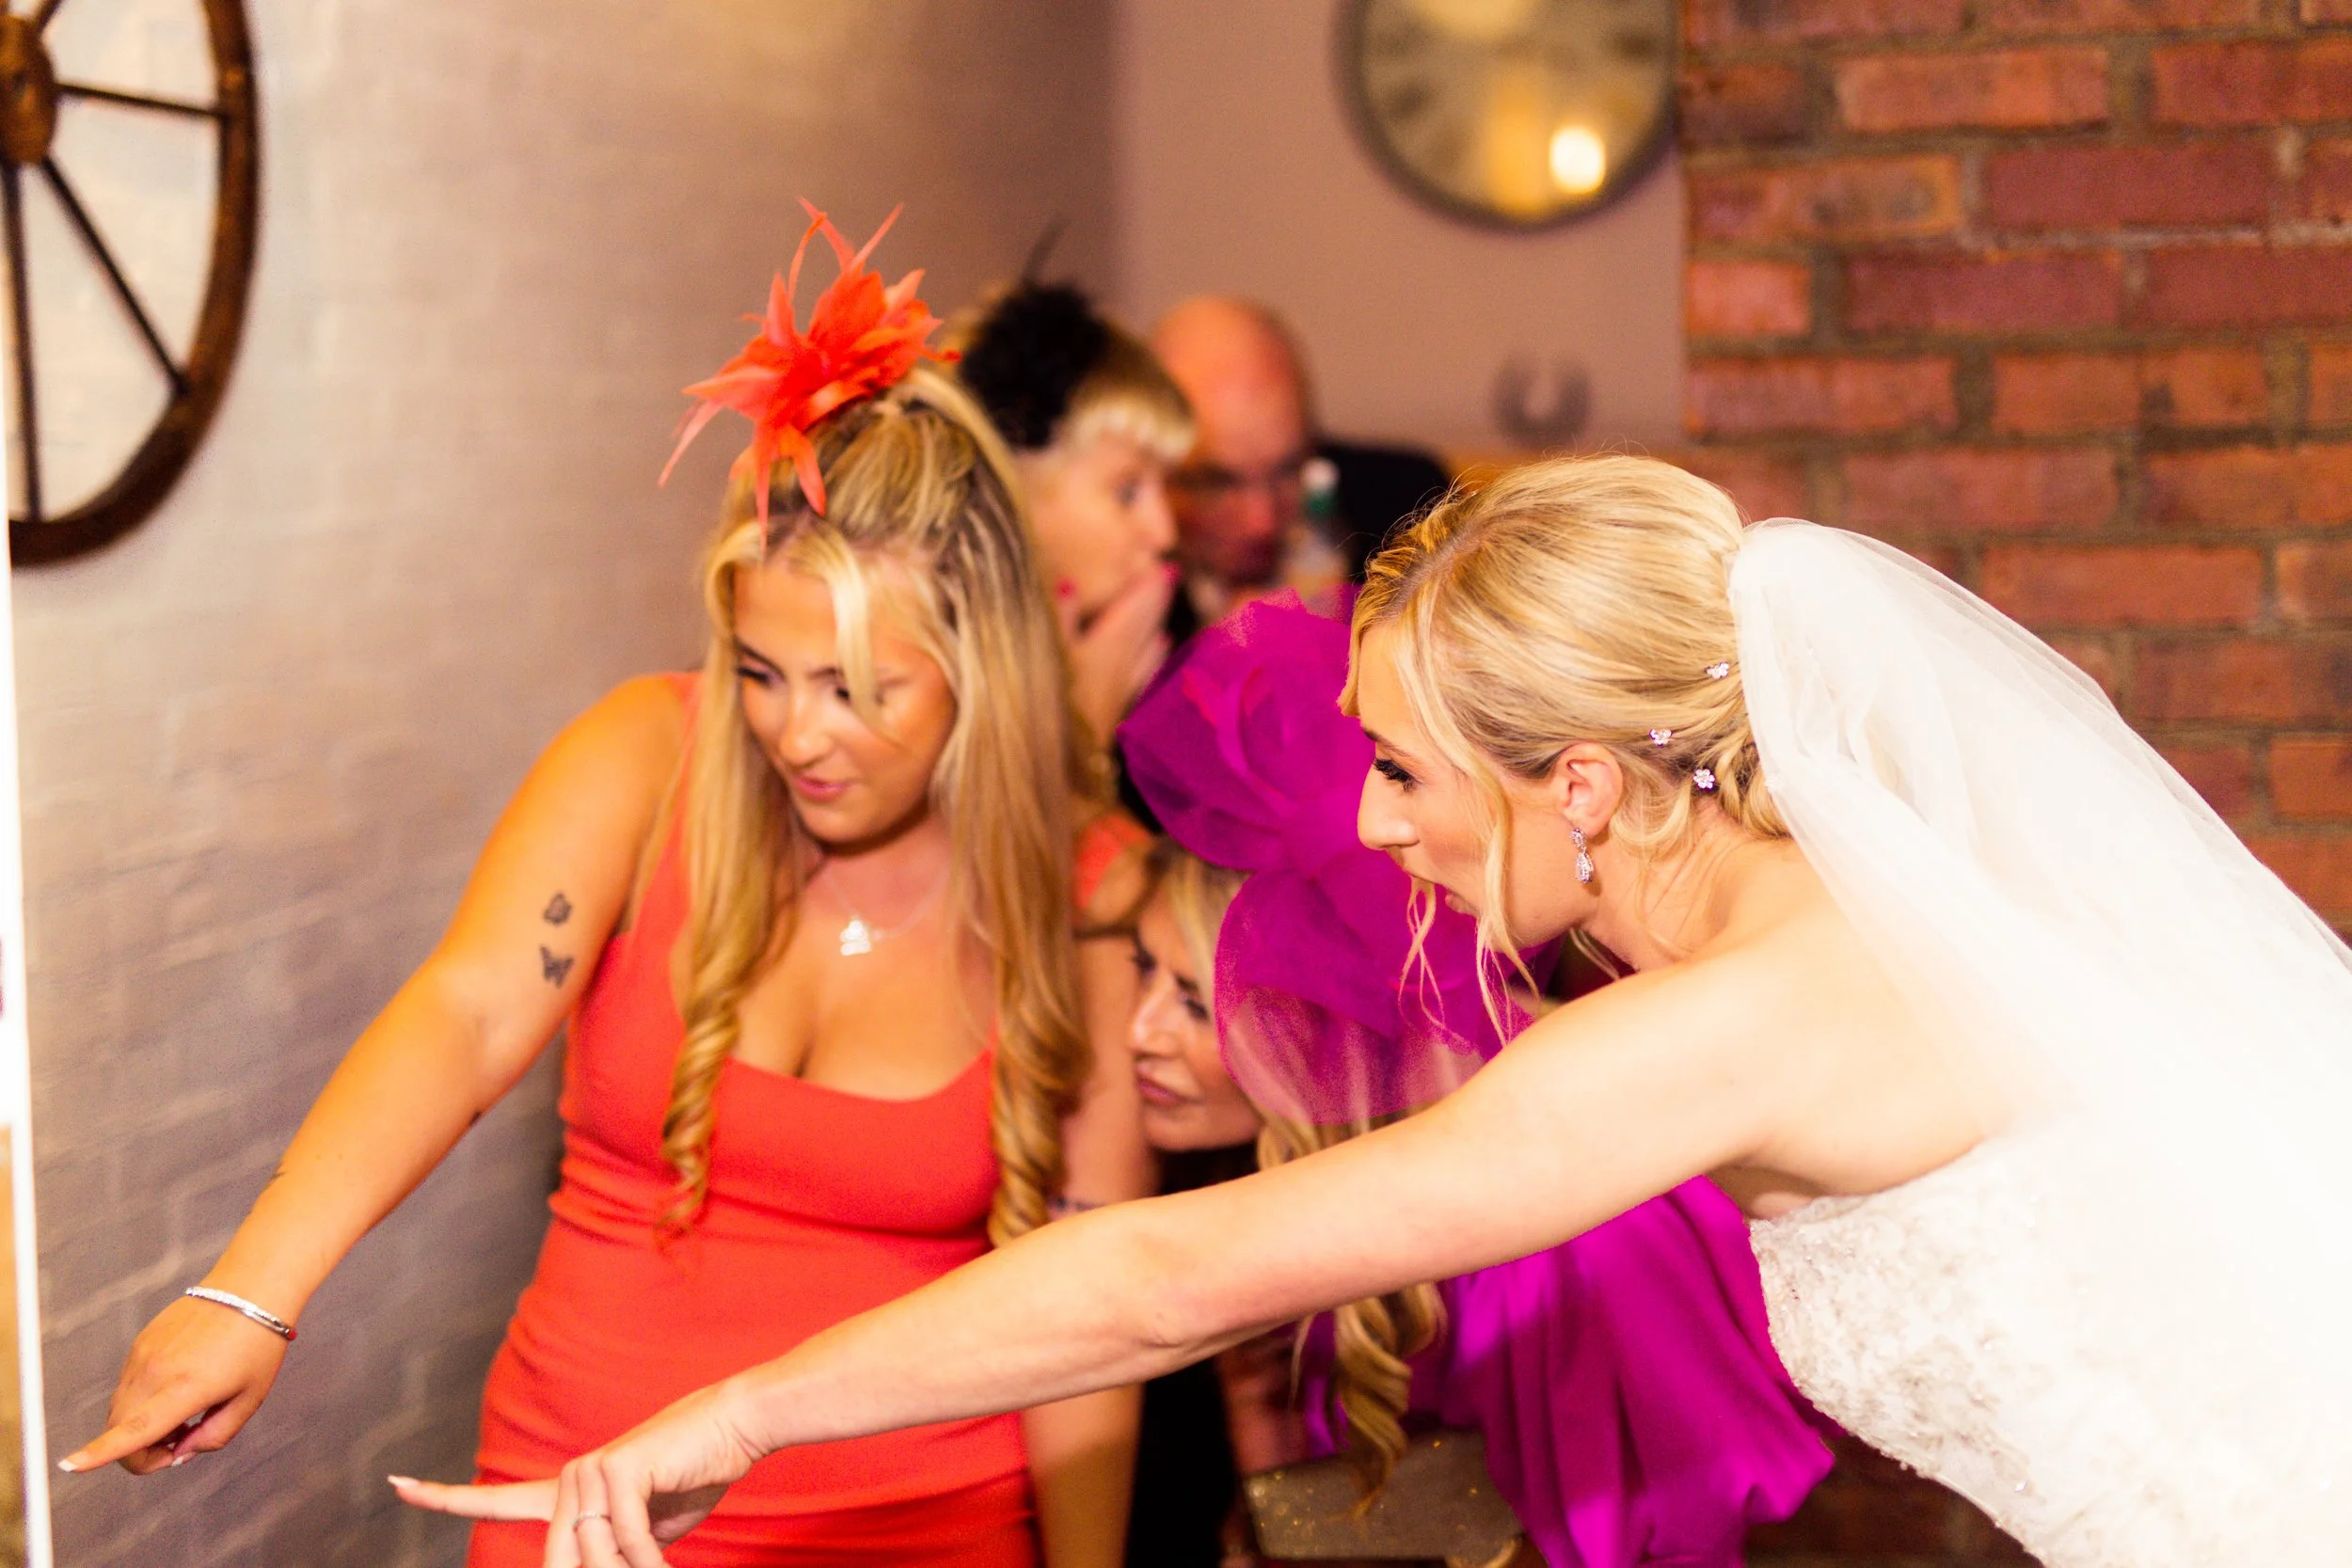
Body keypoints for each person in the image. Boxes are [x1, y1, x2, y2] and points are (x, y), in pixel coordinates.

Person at [399, 454, 2352, 1568]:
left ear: (1575, 784)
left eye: (1408, 769)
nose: (1380, 822)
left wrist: (738, 1410)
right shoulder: (1835, 910)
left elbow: (1172, 1274)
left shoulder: (1724, 1018)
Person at [69, 206, 1153, 1568]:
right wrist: (254, 1287)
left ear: (981, 663)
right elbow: (468, 1013)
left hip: (913, 1527)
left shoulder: (1088, 887)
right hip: (584, 1512)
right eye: (762, 671)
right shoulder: (646, 755)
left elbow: (1094, 1300)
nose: (798, 734)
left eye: (860, 688)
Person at [1117, 594, 1829, 1568]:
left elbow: (1659, 1527)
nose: (1136, 1031)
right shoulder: (1284, 1175)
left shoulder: (1561, 1234)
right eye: (1139, 970)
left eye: (1197, 1002)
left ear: (1328, 1021)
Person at [952, 279, 1192, 752]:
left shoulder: (1172, 644)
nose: (1164, 533)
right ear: (1013, 489)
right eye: (1127, 491)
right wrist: (1089, 719)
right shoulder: (946, 683)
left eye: (1165, 487)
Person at [1150, 298, 1450, 638]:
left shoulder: (1409, 512)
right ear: (1155, 472)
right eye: (1218, 482)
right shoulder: (1125, 582)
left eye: (1289, 470)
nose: (1260, 522)